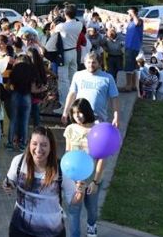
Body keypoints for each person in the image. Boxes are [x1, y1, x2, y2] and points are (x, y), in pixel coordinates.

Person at [3, 126, 65, 237]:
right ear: (29, 144)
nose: (38, 149)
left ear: (51, 147)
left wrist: (80, 191)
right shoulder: (19, 161)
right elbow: (10, 181)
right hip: (19, 229)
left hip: (51, 232)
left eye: (44, 145)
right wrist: (7, 185)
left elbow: (73, 200)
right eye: (34, 143)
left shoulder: (61, 168)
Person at [63, 100, 104, 237]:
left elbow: (101, 158)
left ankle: (92, 226)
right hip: (74, 179)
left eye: (80, 112)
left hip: (92, 179)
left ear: (87, 111)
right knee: (74, 210)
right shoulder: (70, 129)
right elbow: (68, 153)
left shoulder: (97, 130)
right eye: (74, 113)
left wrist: (95, 182)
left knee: (91, 209)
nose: (77, 116)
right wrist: (69, 178)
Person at [61, 52, 120, 127]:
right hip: (80, 117)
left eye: (94, 62)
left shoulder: (108, 78)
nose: (91, 65)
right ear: (84, 63)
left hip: (98, 118)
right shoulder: (78, 75)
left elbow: (114, 98)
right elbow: (72, 94)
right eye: (88, 62)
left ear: (99, 63)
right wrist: (65, 112)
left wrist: (116, 117)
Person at [54, 5, 82, 113]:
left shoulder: (62, 26)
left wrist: (57, 17)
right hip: (73, 51)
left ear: (65, 14)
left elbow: (53, 33)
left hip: (64, 53)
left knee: (63, 80)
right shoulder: (79, 24)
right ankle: (74, 102)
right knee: (72, 78)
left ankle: (64, 106)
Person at [9, 55, 38, 150]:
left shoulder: (15, 69)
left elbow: (10, 85)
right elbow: (33, 89)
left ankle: (10, 143)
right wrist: (42, 89)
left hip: (15, 95)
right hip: (27, 96)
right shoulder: (32, 70)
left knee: (13, 120)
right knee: (25, 121)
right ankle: (23, 143)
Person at [123, 7, 144, 92]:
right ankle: (133, 85)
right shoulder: (130, 23)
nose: (129, 15)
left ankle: (128, 85)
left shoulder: (139, 20)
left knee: (128, 67)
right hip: (129, 46)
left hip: (133, 47)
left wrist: (133, 14)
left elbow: (137, 22)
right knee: (134, 67)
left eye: (130, 13)